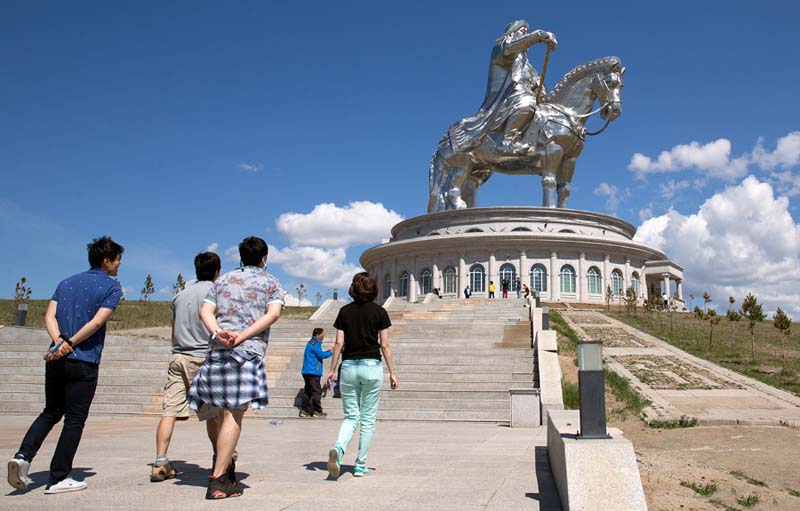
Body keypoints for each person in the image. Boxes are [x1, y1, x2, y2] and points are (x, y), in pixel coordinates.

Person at [7, 237, 124, 494]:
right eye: (117, 261)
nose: (118, 266)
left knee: (50, 412)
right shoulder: (112, 287)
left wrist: (58, 342)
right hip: (83, 360)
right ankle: (58, 477)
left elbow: (49, 316)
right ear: (106, 261)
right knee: (74, 419)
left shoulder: (66, 283)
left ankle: (23, 457)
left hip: (56, 358)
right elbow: (96, 323)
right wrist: (70, 343)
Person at [188, 236, 284, 499]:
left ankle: (227, 469)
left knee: (221, 412)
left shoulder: (223, 281)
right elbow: (272, 314)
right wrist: (242, 337)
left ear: (241, 257)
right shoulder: (271, 282)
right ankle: (218, 480)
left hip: (218, 351)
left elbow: (205, 312)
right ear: (264, 257)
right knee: (234, 414)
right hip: (247, 352)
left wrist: (219, 333)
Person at [150, 252, 222, 483]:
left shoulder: (179, 295)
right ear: (217, 271)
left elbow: (173, 328)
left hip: (178, 355)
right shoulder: (215, 293)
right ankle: (220, 456)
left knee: (169, 411)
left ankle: (160, 460)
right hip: (203, 356)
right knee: (212, 414)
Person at [326, 272, 398, 479]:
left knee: (350, 416)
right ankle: (360, 465)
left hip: (348, 366)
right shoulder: (380, 312)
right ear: (373, 288)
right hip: (371, 366)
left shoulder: (344, 312)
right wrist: (393, 372)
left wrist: (331, 370)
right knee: (367, 419)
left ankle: (339, 448)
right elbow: (384, 344)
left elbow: (339, 343)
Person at [448, 20, 557, 155]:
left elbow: (535, 79)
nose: (525, 34)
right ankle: (508, 141)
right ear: (513, 33)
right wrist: (537, 36)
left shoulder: (525, 62)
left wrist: (542, 90)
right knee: (527, 102)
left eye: (526, 33)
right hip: (508, 96)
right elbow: (511, 48)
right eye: (522, 32)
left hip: (524, 93)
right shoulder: (501, 48)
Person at [300, 328, 332, 418]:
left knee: (308, 391)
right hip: (312, 371)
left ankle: (304, 411)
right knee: (316, 391)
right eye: (323, 334)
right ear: (318, 334)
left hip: (308, 371)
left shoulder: (312, 342)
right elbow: (321, 355)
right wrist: (331, 351)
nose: (324, 336)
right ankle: (317, 411)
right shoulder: (314, 343)